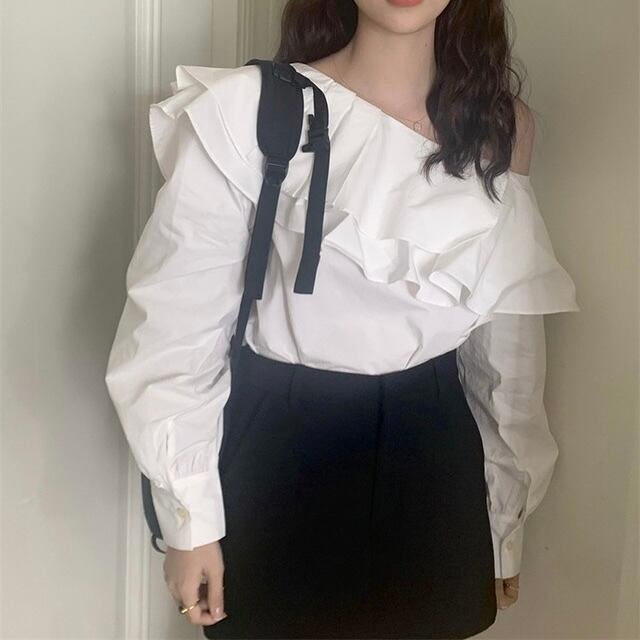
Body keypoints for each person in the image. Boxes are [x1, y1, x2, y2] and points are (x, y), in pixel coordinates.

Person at [105, 0, 580, 638]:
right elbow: (173, 329)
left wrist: (504, 523)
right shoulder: (251, 108)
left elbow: (508, 356)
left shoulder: (501, 127)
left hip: (435, 453)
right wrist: (189, 520)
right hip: (279, 454)